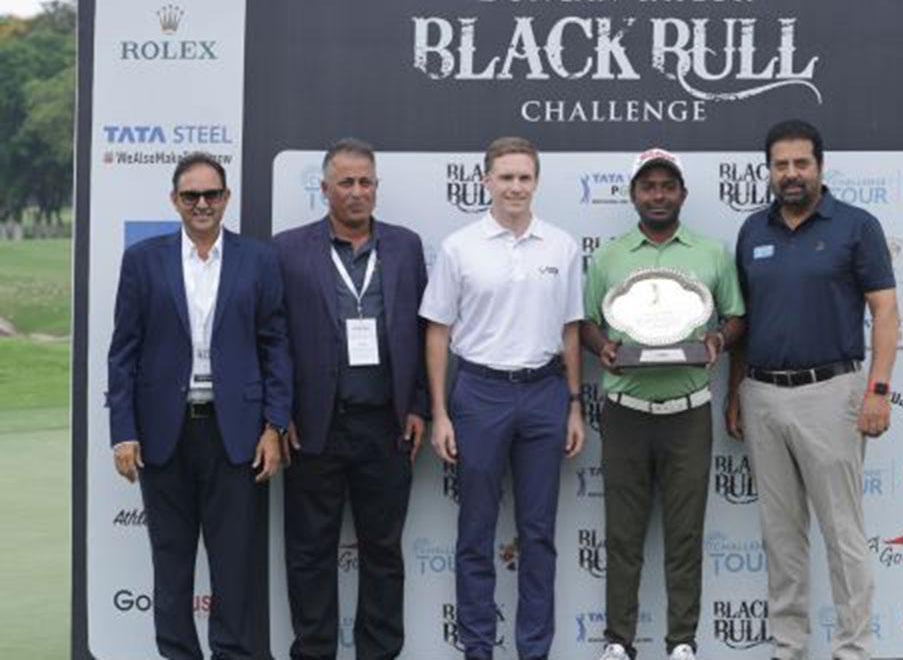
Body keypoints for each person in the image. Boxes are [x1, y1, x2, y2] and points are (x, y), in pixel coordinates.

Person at [725, 119, 900, 660]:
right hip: (761, 395)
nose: (792, 174)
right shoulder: (753, 231)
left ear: (820, 167)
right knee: (781, 535)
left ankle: (853, 649)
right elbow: (745, 321)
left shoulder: (855, 226)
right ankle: (788, 647)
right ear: (770, 170)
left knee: (842, 533)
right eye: (781, 165)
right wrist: (735, 391)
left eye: (802, 163)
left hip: (833, 394)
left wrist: (879, 389)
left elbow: (886, 311)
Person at [107, 152, 290, 659]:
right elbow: (123, 351)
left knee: (235, 566)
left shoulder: (258, 259)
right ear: (175, 201)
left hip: (236, 435)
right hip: (164, 435)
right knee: (171, 565)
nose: (202, 204)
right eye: (191, 196)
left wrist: (275, 424)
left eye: (212, 194)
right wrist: (123, 431)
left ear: (226, 198)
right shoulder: (143, 260)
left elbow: (276, 344)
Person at [420, 136, 586, 660]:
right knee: (475, 533)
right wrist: (441, 412)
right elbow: (438, 332)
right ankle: (477, 650)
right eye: (506, 177)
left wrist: (576, 403)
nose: (515, 186)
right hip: (479, 395)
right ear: (486, 180)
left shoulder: (561, 245)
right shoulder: (458, 247)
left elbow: (571, 331)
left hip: (544, 394)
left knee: (538, 535)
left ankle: (533, 650)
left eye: (524, 177)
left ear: (536, 182)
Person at [582, 149, 745, 660]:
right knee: (623, 534)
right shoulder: (609, 256)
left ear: (682, 194)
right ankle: (618, 641)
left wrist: (718, 339)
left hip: (687, 411)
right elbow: (587, 321)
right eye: (648, 186)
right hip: (626, 411)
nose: (657, 195)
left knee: (684, 533)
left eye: (667, 186)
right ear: (633, 195)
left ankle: (682, 642)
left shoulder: (712, 253)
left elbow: (737, 316)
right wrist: (601, 347)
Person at [274, 138, 428, 659]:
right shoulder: (287, 249)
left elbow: (424, 333)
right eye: (346, 182)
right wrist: (280, 414)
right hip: (314, 428)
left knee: (383, 552)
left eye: (366, 182)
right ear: (324, 190)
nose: (357, 192)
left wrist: (419, 407)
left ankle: (379, 653)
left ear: (376, 188)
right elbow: (273, 339)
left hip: (385, 428)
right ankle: (314, 651)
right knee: (310, 553)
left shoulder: (406, 247)